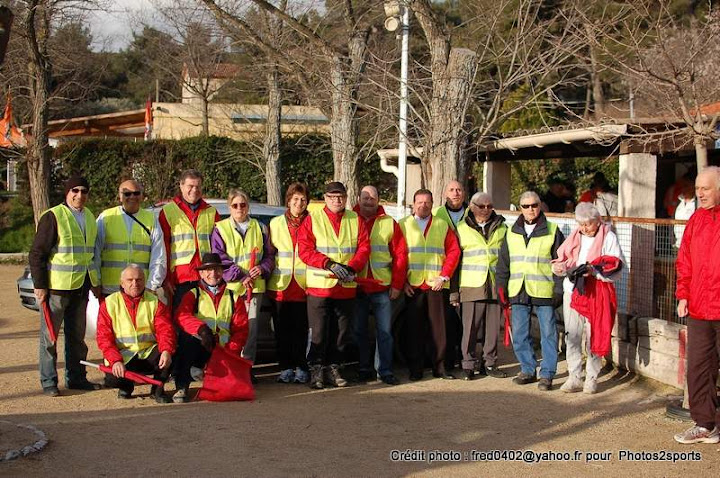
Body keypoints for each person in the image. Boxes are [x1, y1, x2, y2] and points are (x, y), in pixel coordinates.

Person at [29, 175, 102, 396]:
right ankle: (49, 380)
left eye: (84, 191)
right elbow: (37, 254)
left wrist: (95, 283)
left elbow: (91, 255)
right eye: (75, 191)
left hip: (80, 288)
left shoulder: (89, 216)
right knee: (49, 338)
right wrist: (40, 285)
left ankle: (77, 377)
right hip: (57, 289)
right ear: (67, 192)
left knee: (77, 338)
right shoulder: (53, 216)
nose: (80, 195)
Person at [298, 181, 370, 389]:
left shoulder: (355, 219)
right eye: (332, 196)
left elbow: (364, 247)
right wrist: (328, 264)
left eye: (340, 196)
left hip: (345, 286)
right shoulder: (313, 219)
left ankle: (334, 367)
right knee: (318, 332)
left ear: (346, 198)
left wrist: (352, 268)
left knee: (341, 332)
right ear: (325, 198)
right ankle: (316, 369)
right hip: (319, 286)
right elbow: (304, 249)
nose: (336, 200)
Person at [551, 202, 624, 394]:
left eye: (588, 224)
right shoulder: (575, 236)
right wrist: (559, 267)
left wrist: (594, 271)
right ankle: (574, 375)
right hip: (573, 290)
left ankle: (592, 376)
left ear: (598, 221)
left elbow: (615, 265)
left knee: (594, 334)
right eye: (581, 224)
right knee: (572, 334)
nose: (584, 228)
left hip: (596, 292)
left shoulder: (609, 237)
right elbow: (564, 258)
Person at [496, 191, 564, 391]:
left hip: (543, 290)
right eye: (525, 206)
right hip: (518, 289)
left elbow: (560, 263)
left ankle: (547, 374)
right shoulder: (511, 231)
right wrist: (501, 288)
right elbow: (503, 264)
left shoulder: (552, 230)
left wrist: (558, 291)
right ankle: (527, 369)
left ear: (540, 205)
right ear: (520, 208)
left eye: (534, 205)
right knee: (519, 333)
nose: (530, 209)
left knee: (548, 334)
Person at [674, 166, 720, 444]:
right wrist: (683, 295)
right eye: (698, 187)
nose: (699, 193)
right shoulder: (696, 220)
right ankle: (705, 424)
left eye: (706, 188)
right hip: (701, 308)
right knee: (699, 368)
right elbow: (685, 261)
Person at [211, 189, 275, 376]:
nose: (239, 208)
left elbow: (270, 256)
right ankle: (228, 368)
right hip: (230, 289)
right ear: (229, 207)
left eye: (243, 205)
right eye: (235, 205)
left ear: (248, 206)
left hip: (254, 288)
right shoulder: (220, 228)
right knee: (229, 329)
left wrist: (262, 268)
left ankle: (246, 368)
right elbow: (219, 258)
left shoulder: (260, 227)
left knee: (251, 331)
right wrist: (240, 275)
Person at [399, 189, 461, 381]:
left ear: (432, 204)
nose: (423, 205)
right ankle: (415, 368)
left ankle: (440, 367)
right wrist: (402, 282)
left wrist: (444, 276)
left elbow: (453, 252)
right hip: (413, 286)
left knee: (439, 329)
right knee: (414, 329)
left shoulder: (442, 225)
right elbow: (398, 255)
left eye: (427, 202)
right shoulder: (403, 225)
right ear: (413, 203)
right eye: (419, 202)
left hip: (436, 285)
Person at [174, 253, 250, 403]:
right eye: (208, 270)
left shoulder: (234, 296)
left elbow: (241, 329)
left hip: (224, 349)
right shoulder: (192, 294)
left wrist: (231, 350)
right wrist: (202, 330)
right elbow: (182, 317)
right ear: (201, 273)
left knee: (234, 392)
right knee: (185, 341)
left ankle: (212, 375)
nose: (213, 274)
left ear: (222, 272)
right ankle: (182, 385)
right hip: (201, 344)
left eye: (217, 270)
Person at [352, 185, 408, 385]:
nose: (368, 201)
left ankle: (384, 370)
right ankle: (364, 369)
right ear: (359, 198)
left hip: (382, 286)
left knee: (384, 332)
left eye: (372, 198)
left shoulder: (389, 223)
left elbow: (400, 256)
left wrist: (397, 284)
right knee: (359, 331)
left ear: (378, 200)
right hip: (356, 286)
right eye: (365, 197)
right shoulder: (350, 219)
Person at [96, 265, 175, 403]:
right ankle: (126, 386)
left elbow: (165, 330)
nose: (135, 284)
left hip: (148, 353)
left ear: (144, 281)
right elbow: (104, 337)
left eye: (139, 280)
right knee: (112, 378)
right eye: (130, 280)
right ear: (121, 283)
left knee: (170, 354)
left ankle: (157, 390)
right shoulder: (109, 303)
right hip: (123, 356)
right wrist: (115, 361)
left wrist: (166, 351)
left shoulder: (155, 301)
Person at [452, 192, 508, 380]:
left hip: (494, 283)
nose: (486, 210)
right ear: (472, 206)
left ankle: (490, 363)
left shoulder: (503, 228)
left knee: (492, 328)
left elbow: (507, 258)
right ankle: (468, 365)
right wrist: (454, 293)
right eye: (482, 206)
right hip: (470, 284)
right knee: (470, 329)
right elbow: (454, 262)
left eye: (489, 206)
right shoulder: (461, 228)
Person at [267, 183, 311, 384]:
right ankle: (285, 368)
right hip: (280, 285)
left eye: (302, 199)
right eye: (295, 199)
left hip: (304, 285)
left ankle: (302, 367)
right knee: (282, 332)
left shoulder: (313, 222)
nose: (299, 203)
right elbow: (269, 253)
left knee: (301, 331)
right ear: (288, 200)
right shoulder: (275, 223)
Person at [159, 169, 220, 309]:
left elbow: (218, 247)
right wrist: (166, 278)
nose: (194, 190)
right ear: (181, 186)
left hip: (206, 277)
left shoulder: (212, 212)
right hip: (180, 279)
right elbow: (164, 249)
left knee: (206, 320)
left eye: (198, 186)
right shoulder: (168, 212)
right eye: (190, 186)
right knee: (182, 321)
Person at [95, 179, 166, 297]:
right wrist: (96, 282)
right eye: (127, 194)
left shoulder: (151, 219)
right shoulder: (106, 218)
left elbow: (159, 256)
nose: (132, 197)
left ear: (142, 196)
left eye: (136, 193)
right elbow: (95, 253)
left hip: (140, 290)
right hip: (110, 290)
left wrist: (152, 285)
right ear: (120, 196)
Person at [432, 180, 467, 373]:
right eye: (452, 190)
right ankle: (449, 358)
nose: (456, 193)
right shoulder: (437, 214)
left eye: (459, 190)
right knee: (447, 319)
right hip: (444, 274)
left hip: (467, 272)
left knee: (465, 319)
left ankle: (465, 357)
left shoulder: (471, 213)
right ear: (445, 193)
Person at [673, 180, 697, 249]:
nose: (684, 189)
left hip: (690, 244)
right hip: (677, 243)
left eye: (687, 186)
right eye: (683, 187)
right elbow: (673, 220)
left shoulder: (696, 203)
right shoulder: (679, 201)